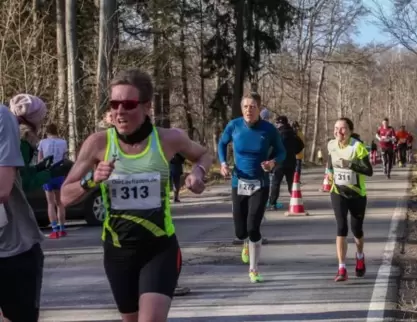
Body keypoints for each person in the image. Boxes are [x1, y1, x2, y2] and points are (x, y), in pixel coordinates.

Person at [60, 69, 212, 322]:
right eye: (114, 104)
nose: (120, 111)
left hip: (159, 249)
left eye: (128, 104)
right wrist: (92, 180)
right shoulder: (98, 143)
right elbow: (65, 196)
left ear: (146, 107)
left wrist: (198, 172)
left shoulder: (168, 139)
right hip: (118, 252)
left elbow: (204, 154)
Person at [218, 92, 286, 283]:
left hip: (260, 183)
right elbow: (222, 144)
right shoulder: (234, 126)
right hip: (238, 182)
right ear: (242, 109)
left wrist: (272, 163)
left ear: (259, 108)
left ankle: (253, 269)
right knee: (240, 231)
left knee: (253, 227)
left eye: (253, 106)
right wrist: (223, 163)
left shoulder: (268, 129)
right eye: (246, 106)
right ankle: (246, 243)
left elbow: (282, 152)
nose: (249, 109)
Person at [0, 95, 48, 322]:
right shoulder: (25, 137)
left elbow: (8, 185)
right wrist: (48, 173)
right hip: (14, 242)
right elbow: (23, 183)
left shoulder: (5, 120)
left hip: (13, 242)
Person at [326, 117, 373, 282]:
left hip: (357, 194)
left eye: (343, 128)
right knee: (341, 228)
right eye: (336, 128)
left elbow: (369, 171)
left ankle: (360, 256)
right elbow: (330, 162)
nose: (339, 131)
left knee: (357, 231)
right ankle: (342, 268)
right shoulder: (331, 144)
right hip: (338, 191)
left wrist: (350, 165)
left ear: (350, 131)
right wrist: (329, 175)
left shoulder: (357, 147)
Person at [38, 123, 69, 239]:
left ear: (47, 132)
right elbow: (65, 159)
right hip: (59, 173)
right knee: (60, 203)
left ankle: (54, 230)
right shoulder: (63, 142)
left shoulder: (42, 143)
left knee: (50, 203)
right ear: (57, 131)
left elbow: (40, 160)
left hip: (47, 174)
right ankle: (62, 229)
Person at [267, 116, 304, 211]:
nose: (276, 125)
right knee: (291, 182)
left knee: (276, 183)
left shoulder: (277, 134)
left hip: (279, 162)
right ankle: (296, 200)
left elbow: (272, 148)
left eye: (277, 123)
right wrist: (293, 152)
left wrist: (269, 158)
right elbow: (301, 145)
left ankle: (272, 203)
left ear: (280, 123)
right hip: (291, 162)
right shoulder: (293, 133)